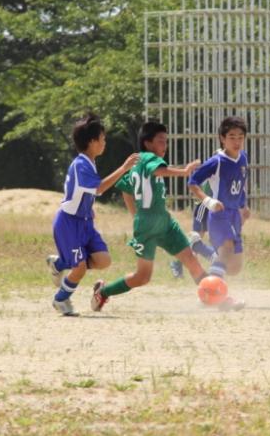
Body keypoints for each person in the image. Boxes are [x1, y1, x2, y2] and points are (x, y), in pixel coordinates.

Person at [91, 121, 245, 312]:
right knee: (142, 277)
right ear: (147, 143)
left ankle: (218, 299)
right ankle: (103, 292)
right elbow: (157, 170)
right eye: (161, 141)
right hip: (147, 227)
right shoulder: (147, 158)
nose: (165, 145)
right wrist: (184, 172)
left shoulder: (138, 164)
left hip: (164, 222)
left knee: (191, 260)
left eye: (166, 141)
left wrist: (135, 215)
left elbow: (125, 188)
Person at [46, 114, 139, 316]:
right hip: (69, 224)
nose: (105, 142)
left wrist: (88, 209)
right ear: (91, 142)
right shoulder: (81, 164)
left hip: (84, 222)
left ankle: (59, 263)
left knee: (103, 260)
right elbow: (98, 188)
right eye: (102, 138)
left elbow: (82, 192)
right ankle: (60, 299)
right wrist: (124, 168)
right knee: (79, 268)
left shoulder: (89, 162)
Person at [187, 116, 250, 281]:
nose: (237, 141)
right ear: (222, 138)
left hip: (234, 214)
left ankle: (199, 247)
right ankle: (212, 291)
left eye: (240, 137)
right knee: (227, 249)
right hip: (219, 214)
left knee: (234, 268)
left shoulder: (243, 157)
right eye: (232, 137)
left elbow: (241, 183)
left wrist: (243, 206)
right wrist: (209, 202)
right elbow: (192, 182)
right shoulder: (217, 162)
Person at [167, 183, 218, 279]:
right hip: (204, 205)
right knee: (195, 238)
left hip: (213, 206)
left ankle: (178, 264)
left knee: (209, 238)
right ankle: (177, 264)